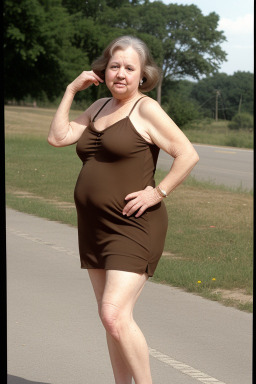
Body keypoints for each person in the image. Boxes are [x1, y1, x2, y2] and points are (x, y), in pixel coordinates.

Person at [48, 35, 199, 384]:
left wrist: (157, 192)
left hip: (134, 227)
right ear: (104, 69)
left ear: (142, 75)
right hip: (95, 227)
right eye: (115, 66)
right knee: (113, 320)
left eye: (130, 68)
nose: (121, 74)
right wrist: (71, 90)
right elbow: (58, 137)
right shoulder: (99, 106)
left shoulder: (146, 109)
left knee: (113, 314)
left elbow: (187, 153)